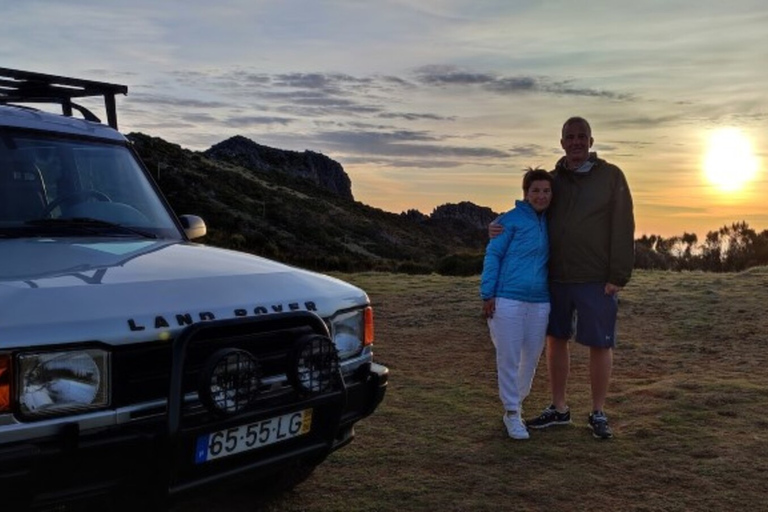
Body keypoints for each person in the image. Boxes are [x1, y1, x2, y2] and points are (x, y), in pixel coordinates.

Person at [489, 116, 635, 439]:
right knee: (556, 340)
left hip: (597, 277)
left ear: (591, 141)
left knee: (600, 343)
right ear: (562, 142)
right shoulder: (554, 180)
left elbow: (624, 226)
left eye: (582, 137)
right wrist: (498, 226)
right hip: (554, 278)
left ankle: (597, 412)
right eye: (570, 137)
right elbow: (531, 210)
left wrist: (618, 275)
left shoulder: (611, 177)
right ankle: (559, 408)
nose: (576, 142)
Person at [481, 168, 553, 440]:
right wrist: (488, 294)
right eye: (535, 190)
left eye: (546, 191)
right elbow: (493, 255)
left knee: (531, 359)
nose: (541, 195)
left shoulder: (553, 221)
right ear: (525, 193)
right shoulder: (508, 221)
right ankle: (512, 412)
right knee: (508, 358)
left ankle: (516, 403)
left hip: (540, 302)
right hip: (507, 299)